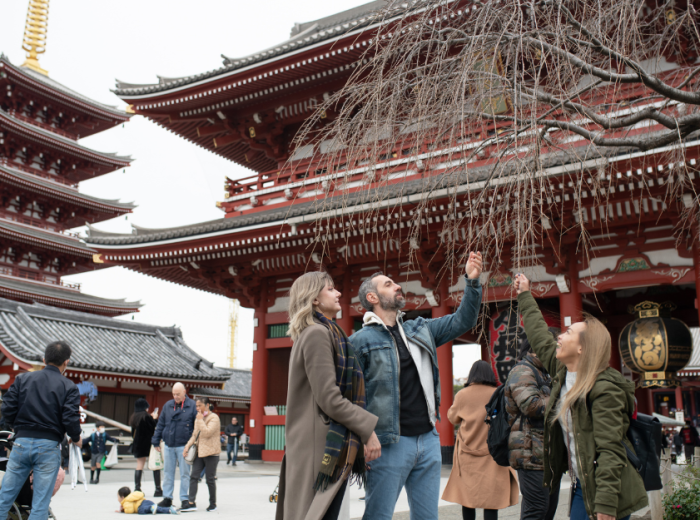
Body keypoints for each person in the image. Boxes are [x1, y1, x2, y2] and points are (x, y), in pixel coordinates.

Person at [350, 251, 483, 520]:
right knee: (379, 516)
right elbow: (351, 397)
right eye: (388, 284)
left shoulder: (419, 329)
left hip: (428, 439)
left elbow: (463, 321)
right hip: (388, 443)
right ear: (372, 299)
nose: (397, 286)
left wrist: (471, 281)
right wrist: (365, 435)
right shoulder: (360, 342)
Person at [514, 274, 647, 520]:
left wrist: (606, 505)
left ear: (581, 348)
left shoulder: (605, 389)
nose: (559, 337)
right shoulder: (564, 372)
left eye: (568, 333)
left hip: (608, 489)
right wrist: (524, 294)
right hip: (581, 484)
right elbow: (539, 335)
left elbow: (610, 449)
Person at [276, 271, 380, 520]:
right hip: (319, 449)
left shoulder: (324, 332)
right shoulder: (317, 334)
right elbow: (330, 399)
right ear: (314, 299)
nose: (338, 293)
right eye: (331, 289)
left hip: (318, 443)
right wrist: (368, 430)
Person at [0, 341, 82, 520]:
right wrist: (76, 437)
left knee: (4, 498)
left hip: (21, 442)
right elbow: (70, 417)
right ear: (66, 362)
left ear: (44, 359)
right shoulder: (69, 386)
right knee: (40, 504)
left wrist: (17, 426)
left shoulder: (22, 379)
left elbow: (7, 408)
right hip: (48, 445)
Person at [443, 361, 519, 520]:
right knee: (491, 500)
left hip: (468, 452)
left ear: (472, 375)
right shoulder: (498, 393)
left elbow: (452, 418)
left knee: (467, 497)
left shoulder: (462, 394)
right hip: (493, 452)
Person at [504, 335, 558, 520]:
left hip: (544, 453)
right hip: (529, 453)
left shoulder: (544, 372)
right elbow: (531, 406)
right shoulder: (522, 371)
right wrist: (562, 396)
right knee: (537, 510)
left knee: (547, 510)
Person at [152, 383, 197, 510]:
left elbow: (197, 427)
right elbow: (160, 424)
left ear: (184, 392)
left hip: (184, 445)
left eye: (178, 394)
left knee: (185, 474)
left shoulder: (192, 405)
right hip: (169, 444)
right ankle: (167, 498)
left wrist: (193, 444)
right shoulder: (167, 405)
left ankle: (184, 499)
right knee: (167, 473)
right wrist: (156, 440)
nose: (175, 396)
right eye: (173, 394)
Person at [182, 396, 221, 512]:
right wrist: (187, 446)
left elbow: (207, 433)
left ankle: (213, 503)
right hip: (199, 452)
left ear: (207, 405)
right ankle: (191, 502)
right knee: (194, 476)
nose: (197, 408)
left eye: (200, 405)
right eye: (196, 406)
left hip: (211, 453)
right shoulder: (198, 418)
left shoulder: (214, 418)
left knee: (210, 479)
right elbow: (195, 435)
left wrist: (200, 420)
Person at [131, 398, 162, 496]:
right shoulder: (146, 417)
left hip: (138, 445)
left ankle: (137, 488)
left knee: (139, 465)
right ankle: (157, 489)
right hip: (150, 445)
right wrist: (155, 418)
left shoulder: (134, 417)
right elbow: (154, 428)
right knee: (155, 465)